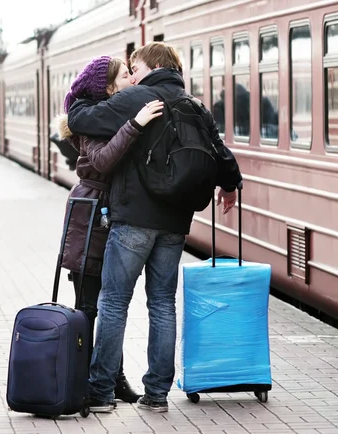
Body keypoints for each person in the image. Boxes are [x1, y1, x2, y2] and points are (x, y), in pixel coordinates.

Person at [68, 42, 242, 413]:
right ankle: (157, 395)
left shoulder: (139, 98)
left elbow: (80, 120)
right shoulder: (195, 106)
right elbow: (223, 156)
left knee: (114, 302)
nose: (131, 74)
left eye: (135, 66)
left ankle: (100, 393)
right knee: (162, 304)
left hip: (134, 218)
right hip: (176, 222)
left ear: (152, 67)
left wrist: (80, 94)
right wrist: (229, 187)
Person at [57, 56, 164, 405]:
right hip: (92, 215)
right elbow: (103, 161)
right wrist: (134, 124)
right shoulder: (94, 121)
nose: (133, 80)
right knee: (90, 304)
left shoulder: (110, 112)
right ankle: (84, 381)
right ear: (108, 87)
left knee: (111, 303)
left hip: (111, 211)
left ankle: (111, 377)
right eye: (126, 75)